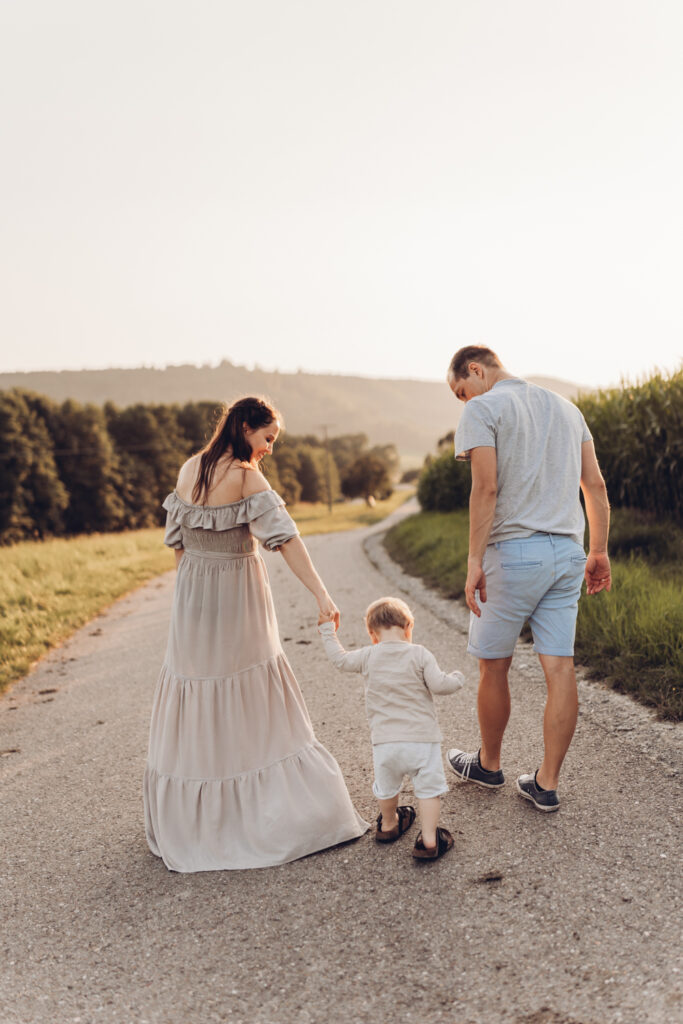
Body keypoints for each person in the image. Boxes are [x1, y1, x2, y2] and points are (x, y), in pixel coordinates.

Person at [143, 396, 368, 871]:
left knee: (202, 689)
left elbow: (178, 547)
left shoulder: (189, 468)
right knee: (249, 691)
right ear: (246, 427)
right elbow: (285, 539)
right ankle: (261, 817)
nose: (269, 449)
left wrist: (190, 602)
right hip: (236, 594)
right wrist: (322, 595)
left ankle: (198, 819)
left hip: (193, 598)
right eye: (268, 438)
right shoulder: (245, 476)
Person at [445, 346, 611, 812]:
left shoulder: (483, 408)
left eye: (461, 391)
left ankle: (490, 765)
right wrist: (598, 550)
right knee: (560, 666)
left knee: (493, 664)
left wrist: (474, 560)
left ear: (475, 370)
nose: (464, 401)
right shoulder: (566, 407)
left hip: (513, 553)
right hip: (567, 554)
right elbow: (594, 486)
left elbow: (486, 487)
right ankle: (546, 782)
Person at [318, 596, 465, 860]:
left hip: (385, 744)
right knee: (429, 791)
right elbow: (440, 685)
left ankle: (388, 824)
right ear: (408, 627)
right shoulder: (420, 653)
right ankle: (430, 840)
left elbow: (339, 660)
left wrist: (327, 630)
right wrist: (457, 678)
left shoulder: (368, 655)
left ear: (373, 635)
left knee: (386, 787)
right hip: (422, 741)